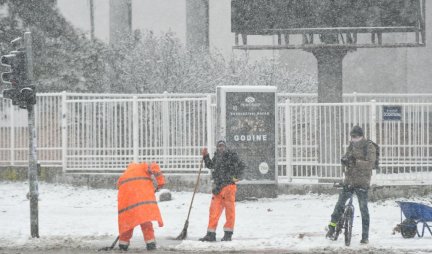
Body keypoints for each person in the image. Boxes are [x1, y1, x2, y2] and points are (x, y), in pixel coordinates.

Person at [326, 125, 376, 244]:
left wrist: (356, 162)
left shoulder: (369, 146)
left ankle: (365, 236)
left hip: (362, 182)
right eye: (352, 137)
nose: (354, 139)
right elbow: (347, 157)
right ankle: (331, 227)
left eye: (356, 136)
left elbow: (370, 164)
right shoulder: (351, 145)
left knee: (363, 209)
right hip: (349, 180)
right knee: (340, 204)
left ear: (361, 136)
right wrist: (344, 160)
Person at [199, 140, 245, 242]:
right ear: (217, 148)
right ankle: (211, 234)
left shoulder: (231, 156)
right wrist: (206, 156)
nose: (221, 148)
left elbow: (242, 166)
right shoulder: (217, 156)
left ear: (226, 147)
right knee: (213, 211)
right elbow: (211, 165)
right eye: (219, 146)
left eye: (223, 146)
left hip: (228, 187)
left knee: (230, 212)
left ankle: (228, 235)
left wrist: (235, 177)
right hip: (218, 188)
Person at [117, 161, 165, 251]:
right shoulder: (143, 166)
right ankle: (150, 244)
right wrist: (160, 183)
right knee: (145, 220)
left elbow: (119, 186)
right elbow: (154, 166)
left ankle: (123, 245)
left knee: (128, 223)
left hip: (127, 201)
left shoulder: (125, 174)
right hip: (141, 199)